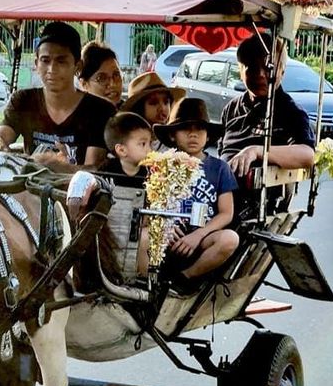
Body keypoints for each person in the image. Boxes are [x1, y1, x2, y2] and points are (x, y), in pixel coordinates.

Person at [0, 21, 116, 169]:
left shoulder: (99, 110)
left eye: (61, 61)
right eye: (45, 61)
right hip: (28, 188)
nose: (52, 69)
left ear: (77, 66)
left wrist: (54, 166)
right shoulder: (23, 101)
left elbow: (92, 169)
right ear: (36, 64)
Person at [150, 98, 240, 293]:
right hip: (167, 238)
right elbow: (150, 201)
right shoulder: (162, 165)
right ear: (173, 135)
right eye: (185, 129)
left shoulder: (219, 168)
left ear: (207, 136)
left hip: (202, 239)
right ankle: (147, 281)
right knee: (142, 234)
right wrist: (164, 228)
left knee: (230, 239)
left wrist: (198, 235)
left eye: (199, 129)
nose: (193, 134)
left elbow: (226, 213)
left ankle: (184, 279)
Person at [219, 33, 315, 178]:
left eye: (268, 68)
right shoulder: (231, 108)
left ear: (282, 71)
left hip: (264, 195)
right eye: (252, 67)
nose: (260, 75)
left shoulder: (291, 112)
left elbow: (307, 155)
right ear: (240, 71)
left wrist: (257, 152)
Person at [119, 71, 185, 150]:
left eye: (166, 102)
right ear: (138, 108)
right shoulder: (127, 141)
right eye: (153, 103)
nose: (162, 108)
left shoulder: (173, 138)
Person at [98, 112, 151, 180]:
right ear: (121, 150)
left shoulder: (151, 172)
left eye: (150, 143)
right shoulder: (106, 172)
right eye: (143, 144)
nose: (149, 149)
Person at [79, 40, 124, 107]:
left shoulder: (131, 113)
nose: (112, 84)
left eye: (116, 75)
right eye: (102, 78)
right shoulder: (76, 115)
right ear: (84, 84)